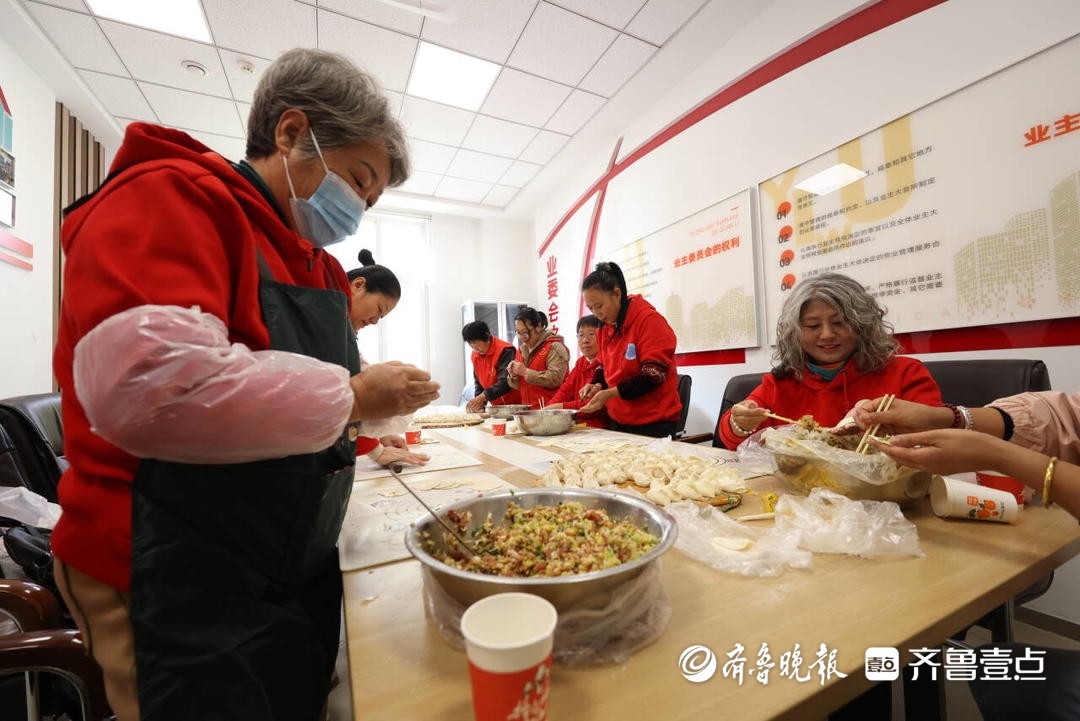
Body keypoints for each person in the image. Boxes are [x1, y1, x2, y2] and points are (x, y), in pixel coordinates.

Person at [51, 48, 439, 721]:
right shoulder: (172, 195)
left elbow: (312, 399)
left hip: (279, 554)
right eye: (358, 179)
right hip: (167, 567)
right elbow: (149, 388)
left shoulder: (314, 265)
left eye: (371, 200)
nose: (358, 208)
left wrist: (377, 412)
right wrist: (354, 398)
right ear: (291, 133)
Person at [857, 392, 1080, 720]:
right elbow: (1065, 417)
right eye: (810, 334)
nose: (827, 336)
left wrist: (995, 454)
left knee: (1000, 674)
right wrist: (946, 418)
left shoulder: (907, 372)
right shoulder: (787, 379)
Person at [717, 272, 942, 449]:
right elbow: (732, 440)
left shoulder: (905, 373)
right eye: (813, 326)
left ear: (862, 324)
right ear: (794, 333)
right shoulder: (781, 383)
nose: (826, 334)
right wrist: (740, 423)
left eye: (839, 323)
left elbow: (937, 439)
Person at [578, 262, 682, 437]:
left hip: (654, 422)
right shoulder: (604, 327)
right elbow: (603, 366)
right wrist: (596, 384)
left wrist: (610, 393)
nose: (596, 313)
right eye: (591, 308)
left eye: (599, 306)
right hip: (618, 420)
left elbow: (653, 374)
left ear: (617, 294)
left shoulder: (648, 320)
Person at [347, 249, 429, 467]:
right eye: (379, 309)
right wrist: (374, 448)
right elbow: (331, 402)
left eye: (381, 317)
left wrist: (378, 437)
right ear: (358, 285)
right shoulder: (327, 320)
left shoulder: (344, 331)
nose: (374, 321)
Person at [545, 315, 606, 427]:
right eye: (581, 335)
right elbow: (565, 390)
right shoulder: (581, 362)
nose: (585, 340)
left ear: (603, 335)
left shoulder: (607, 362)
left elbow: (594, 403)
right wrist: (547, 410)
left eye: (591, 334)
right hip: (576, 424)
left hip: (600, 427)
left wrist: (559, 408)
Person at [507, 306, 569, 408]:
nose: (522, 337)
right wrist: (513, 375)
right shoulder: (522, 349)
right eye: (518, 332)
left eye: (526, 332)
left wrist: (525, 372)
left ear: (538, 327)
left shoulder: (554, 346)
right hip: (528, 411)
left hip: (550, 411)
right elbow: (519, 386)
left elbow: (556, 379)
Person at [462, 320, 521, 412]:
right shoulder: (475, 355)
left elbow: (505, 382)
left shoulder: (505, 350)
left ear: (487, 336)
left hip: (516, 405)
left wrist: (483, 396)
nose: (475, 349)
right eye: (472, 346)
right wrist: (479, 404)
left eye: (477, 345)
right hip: (497, 408)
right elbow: (479, 383)